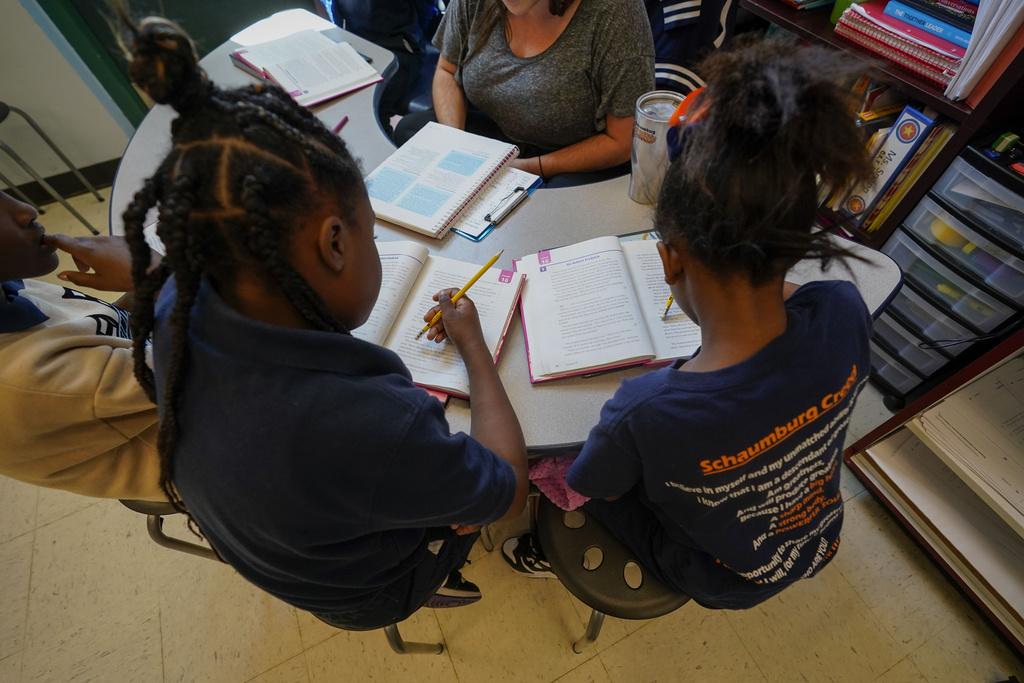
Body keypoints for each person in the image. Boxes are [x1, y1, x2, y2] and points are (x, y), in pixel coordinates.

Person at [114, 5, 529, 630]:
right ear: (335, 243)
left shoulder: (177, 298)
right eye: (370, 230)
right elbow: (507, 489)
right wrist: (471, 344)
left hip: (281, 553)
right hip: (368, 591)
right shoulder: (374, 428)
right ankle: (436, 570)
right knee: (474, 503)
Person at [502, 37, 875, 610]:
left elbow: (592, 483)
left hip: (717, 573)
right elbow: (802, 302)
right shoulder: (844, 310)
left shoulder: (647, 409)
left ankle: (542, 549)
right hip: (813, 536)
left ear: (669, 259)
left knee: (560, 472)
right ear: (794, 244)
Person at [0, 190, 164, 501]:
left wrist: (142, 281)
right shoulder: (29, 377)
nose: (26, 210)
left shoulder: (8, 286)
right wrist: (160, 277)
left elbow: (107, 330)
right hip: (223, 454)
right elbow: (224, 369)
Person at [394, 0, 655, 184]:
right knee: (412, 131)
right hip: (505, 136)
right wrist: (455, 144)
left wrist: (533, 168)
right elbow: (447, 71)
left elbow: (622, 141)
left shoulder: (616, 12)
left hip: (574, 157)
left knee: (544, 213)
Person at [314, 0, 441, 136]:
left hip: (398, 47)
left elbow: (425, 10)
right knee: (332, 102)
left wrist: (410, 32)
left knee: (373, 113)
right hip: (354, 41)